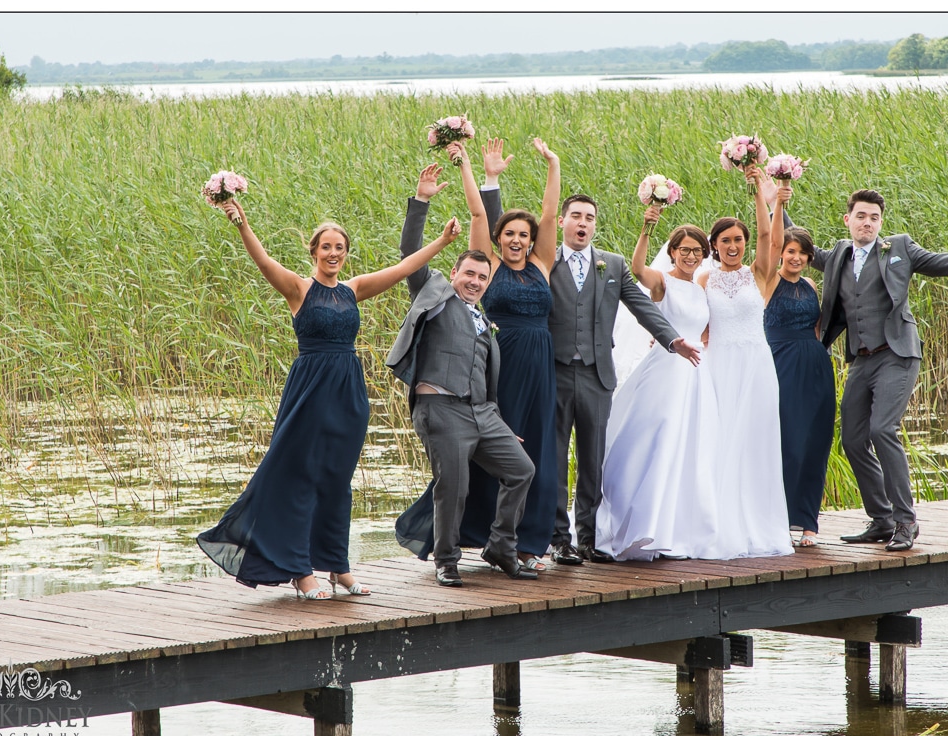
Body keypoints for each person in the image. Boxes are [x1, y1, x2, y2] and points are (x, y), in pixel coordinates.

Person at [198, 198, 462, 599]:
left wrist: (442, 241)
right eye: (326, 247)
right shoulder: (298, 289)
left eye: (340, 247)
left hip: (348, 391)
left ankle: (338, 567)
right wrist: (242, 226)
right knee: (301, 478)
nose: (334, 253)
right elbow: (264, 261)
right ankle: (301, 570)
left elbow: (404, 269)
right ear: (314, 252)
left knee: (339, 482)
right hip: (309, 391)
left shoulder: (353, 290)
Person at [482, 168, 701, 567]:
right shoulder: (540, 265)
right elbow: (497, 244)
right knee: (550, 460)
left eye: (590, 218)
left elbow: (640, 305)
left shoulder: (612, 265)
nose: (583, 223)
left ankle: (589, 537)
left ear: (595, 225)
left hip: (599, 375)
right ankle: (557, 538)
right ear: (563, 222)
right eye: (577, 216)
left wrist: (673, 339)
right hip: (552, 374)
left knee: (592, 461)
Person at [813, 189, 948, 551]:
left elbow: (941, 263)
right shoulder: (837, 255)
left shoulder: (898, 248)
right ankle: (881, 519)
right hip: (862, 358)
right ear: (847, 219)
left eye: (874, 218)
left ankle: (905, 521)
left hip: (897, 354)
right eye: (861, 216)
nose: (868, 223)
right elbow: (794, 244)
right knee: (852, 438)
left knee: (882, 428)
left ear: (881, 223)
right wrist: (776, 199)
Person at [398, 138, 561, 572]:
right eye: (467, 273)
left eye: (480, 277)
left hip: (484, 410)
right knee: (453, 485)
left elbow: (487, 376)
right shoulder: (436, 296)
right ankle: (447, 560)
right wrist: (422, 202)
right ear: (454, 273)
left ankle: (501, 546)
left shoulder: (486, 322)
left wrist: (498, 419)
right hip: (442, 407)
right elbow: (410, 256)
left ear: (489, 283)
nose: (474, 281)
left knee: (522, 469)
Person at [594, 214, 720, 560]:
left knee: (688, 446)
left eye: (697, 251)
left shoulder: (701, 289)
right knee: (657, 439)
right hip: (666, 369)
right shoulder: (661, 282)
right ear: (673, 251)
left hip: (695, 375)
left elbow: (705, 330)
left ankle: (674, 528)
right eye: (684, 250)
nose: (691, 256)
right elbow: (636, 269)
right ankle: (640, 526)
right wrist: (647, 226)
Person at [700, 167, 794, 559]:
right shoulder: (704, 280)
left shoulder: (760, 274)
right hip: (720, 364)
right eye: (726, 240)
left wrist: (760, 189)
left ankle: (760, 525)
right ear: (715, 245)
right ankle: (720, 524)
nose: (734, 245)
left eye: (739, 239)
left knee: (757, 443)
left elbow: (770, 237)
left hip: (756, 366)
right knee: (722, 443)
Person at [762, 210, 836, 547]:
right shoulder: (768, 281)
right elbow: (770, 236)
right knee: (787, 442)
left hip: (816, 366)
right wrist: (774, 198)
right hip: (781, 365)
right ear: (781, 252)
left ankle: (808, 523)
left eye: (802, 253)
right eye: (790, 251)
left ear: (808, 258)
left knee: (814, 443)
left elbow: (819, 327)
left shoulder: (809, 285)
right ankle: (777, 519)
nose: (796, 257)